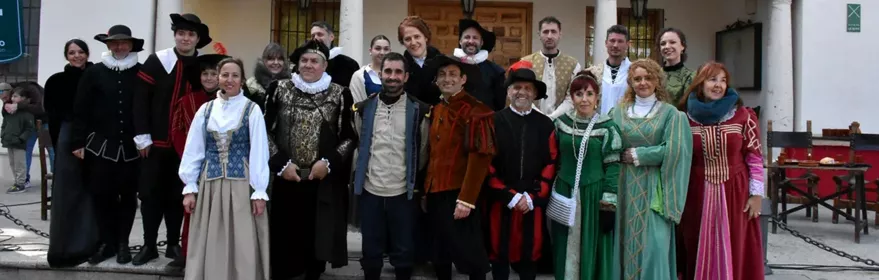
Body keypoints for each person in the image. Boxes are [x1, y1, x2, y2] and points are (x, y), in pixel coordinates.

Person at [265, 39, 356, 280]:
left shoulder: (341, 94)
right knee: (285, 238)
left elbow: (348, 137)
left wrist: (327, 163)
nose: (308, 65)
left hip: (320, 180)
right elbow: (264, 132)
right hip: (287, 177)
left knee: (317, 238)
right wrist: (281, 164)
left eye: (314, 61)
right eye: (304, 60)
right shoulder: (279, 89)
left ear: (324, 65)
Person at [178, 57, 270, 280]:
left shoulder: (252, 109)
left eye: (235, 75)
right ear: (218, 78)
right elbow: (194, 149)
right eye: (225, 75)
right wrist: (190, 187)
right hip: (210, 184)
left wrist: (259, 190)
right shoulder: (206, 110)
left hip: (242, 184)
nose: (229, 80)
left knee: (242, 239)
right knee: (211, 238)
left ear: (242, 80)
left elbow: (259, 151)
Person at [133, 13, 213, 265]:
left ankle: (173, 244)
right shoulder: (158, 60)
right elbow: (140, 100)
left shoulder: (204, 66)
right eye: (181, 33)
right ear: (175, 35)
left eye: (191, 34)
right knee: (150, 194)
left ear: (198, 39)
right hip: (155, 143)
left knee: (178, 195)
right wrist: (142, 136)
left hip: (188, 147)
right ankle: (148, 245)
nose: (185, 38)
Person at [676, 62, 765, 280]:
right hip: (695, 190)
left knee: (734, 242)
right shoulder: (684, 117)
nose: (718, 85)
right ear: (700, 83)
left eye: (723, 80)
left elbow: (754, 156)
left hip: (735, 189)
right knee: (694, 241)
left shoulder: (743, 116)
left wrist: (756, 195)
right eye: (712, 79)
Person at [608, 59, 692, 280]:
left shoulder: (671, 114)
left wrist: (640, 155)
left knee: (655, 244)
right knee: (623, 241)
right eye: (637, 79)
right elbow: (609, 146)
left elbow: (677, 150)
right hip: (624, 187)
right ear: (630, 83)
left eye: (648, 78)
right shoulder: (617, 113)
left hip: (655, 188)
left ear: (657, 81)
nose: (643, 83)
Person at [351, 52, 430, 280]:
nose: (392, 77)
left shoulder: (420, 111)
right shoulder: (363, 109)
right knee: (371, 252)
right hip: (371, 191)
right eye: (388, 71)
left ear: (405, 77)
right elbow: (360, 142)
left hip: (402, 194)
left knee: (404, 251)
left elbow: (423, 151)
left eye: (398, 72)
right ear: (380, 74)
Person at [71, 25, 144, 265]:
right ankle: (107, 243)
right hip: (100, 146)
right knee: (102, 195)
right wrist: (78, 141)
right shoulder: (94, 73)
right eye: (114, 42)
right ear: (108, 45)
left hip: (132, 148)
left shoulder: (141, 72)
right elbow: (80, 108)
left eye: (124, 42)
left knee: (128, 195)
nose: (119, 46)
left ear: (131, 45)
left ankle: (123, 243)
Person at [423, 55, 494, 280]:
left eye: (452, 74)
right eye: (442, 75)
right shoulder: (436, 109)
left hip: (459, 195)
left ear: (463, 79)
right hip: (435, 193)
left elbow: (481, 157)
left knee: (471, 257)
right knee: (440, 255)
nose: (447, 79)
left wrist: (467, 199)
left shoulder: (476, 110)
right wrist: (426, 191)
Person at [550, 71, 623, 280]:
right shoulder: (560, 123)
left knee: (594, 246)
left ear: (597, 97)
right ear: (571, 97)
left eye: (589, 94)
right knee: (564, 246)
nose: (584, 99)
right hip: (565, 192)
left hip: (594, 194)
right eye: (579, 94)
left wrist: (608, 203)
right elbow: (553, 159)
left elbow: (612, 167)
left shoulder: (607, 127)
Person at [484, 67, 556, 280]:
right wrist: (510, 195)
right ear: (508, 92)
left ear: (535, 94)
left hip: (531, 201)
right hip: (501, 200)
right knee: (499, 253)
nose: (521, 92)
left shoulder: (545, 124)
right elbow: (486, 163)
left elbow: (551, 162)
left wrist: (532, 197)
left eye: (527, 88)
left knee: (529, 254)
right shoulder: (494, 121)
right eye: (516, 87)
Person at [167, 51, 230, 268]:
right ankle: (189, 252)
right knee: (192, 209)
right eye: (205, 74)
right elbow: (177, 131)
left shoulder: (233, 103)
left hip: (224, 164)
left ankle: (217, 254)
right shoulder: (187, 102)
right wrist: (193, 158)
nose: (210, 78)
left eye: (214, 73)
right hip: (195, 166)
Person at [45, 39, 99, 268]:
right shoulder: (56, 81)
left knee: (91, 193)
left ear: (87, 53)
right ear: (66, 55)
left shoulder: (97, 76)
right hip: (68, 141)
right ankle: (66, 248)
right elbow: (53, 116)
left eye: (80, 52)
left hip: (95, 138)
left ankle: (91, 244)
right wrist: (64, 145)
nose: (76, 56)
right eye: (71, 52)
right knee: (68, 194)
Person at [520, 16, 582, 119]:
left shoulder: (573, 65)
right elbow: (522, 93)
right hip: (530, 119)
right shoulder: (526, 63)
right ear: (539, 34)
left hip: (562, 121)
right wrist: (539, 116)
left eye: (553, 32)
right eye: (545, 32)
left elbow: (572, 97)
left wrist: (553, 117)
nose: (549, 36)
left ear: (560, 35)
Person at [0, 80, 46, 188]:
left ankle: (55, 179)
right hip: (26, 127)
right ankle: (24, 180)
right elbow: (7, 119)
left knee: (51, 151)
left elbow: (40, 108)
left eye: (5, 98)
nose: (7, 101)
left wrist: (18, 106)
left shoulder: (30, 88)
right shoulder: (11, 98)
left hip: (45, 121)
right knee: (25, 153)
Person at [454, 19, 506, 111]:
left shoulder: (496, 72)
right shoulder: (449, 65)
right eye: (467, 37)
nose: (471, 41)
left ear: (481, 43)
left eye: (475, 38)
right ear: (460, 41)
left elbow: (500, 105)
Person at [588, 25, 632, 115]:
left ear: (627, 44)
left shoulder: (634, 72)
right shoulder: (594, 73)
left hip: (626, 124)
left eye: (620, 41)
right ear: (606, 43)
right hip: (599, 124)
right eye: (612, 41)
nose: (615, 45)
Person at [399, 16, 443, 105]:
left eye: (417, 37)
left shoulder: (443, 63)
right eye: (408, 39)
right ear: (403, 42)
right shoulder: (401, 67)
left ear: (425, 37)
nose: (413, 42)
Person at [2, 86, 36, 194]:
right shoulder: (9, 112)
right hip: (9, 141)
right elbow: (5, 124)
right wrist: (3, 134)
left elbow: (30, 128)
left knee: (20, 163)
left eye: (15, 96)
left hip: (19, 143)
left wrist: (21, 139)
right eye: (12, 96)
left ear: (23, 98)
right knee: (12, 163)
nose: (12, 98)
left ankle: (21, 183)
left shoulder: (27, 113)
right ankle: (16, 182)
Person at [311, 21, 360, 88]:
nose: (315, 38)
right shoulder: (306, 62)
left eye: (320, 34)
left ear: (331, 37)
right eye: (313, 36)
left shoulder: (349, 64)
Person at [245, 43, 291, 110]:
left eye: (280, 59)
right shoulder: (251, 85)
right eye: (271, 59)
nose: (276, 62)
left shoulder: (291, 84)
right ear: (264, 61)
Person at [349, 35, 392, 103]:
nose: (382, 52)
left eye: (386, 49)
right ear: (370, 51)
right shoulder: (359, 76)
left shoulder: (396, 74)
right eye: (378, 48)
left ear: (390, 51)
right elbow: (356, 104)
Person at [658, 28, 695, 102]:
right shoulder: (654, 75)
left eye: (672, 42)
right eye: (663, 43)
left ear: (682, 46)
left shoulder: (690, 76)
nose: (667, 46)